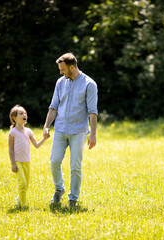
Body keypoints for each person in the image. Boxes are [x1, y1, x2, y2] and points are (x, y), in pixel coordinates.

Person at [43, 53, 98, 207]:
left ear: (72, 67)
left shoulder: (89, 84)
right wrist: (46, 125)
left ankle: (73, 198)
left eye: (63, 69)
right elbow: (53, 106)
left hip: (78, 131)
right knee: (54, 162)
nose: (61, 72)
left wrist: (93, 134)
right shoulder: (60, 82)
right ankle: (59, 189)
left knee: (75, 166)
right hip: (60, 130)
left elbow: (92, 111)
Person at [8, 104, 49, 208]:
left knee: (25, 184)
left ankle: (18, 199)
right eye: (21, 113)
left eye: (25, 113)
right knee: (22, 183)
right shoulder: (13, 132)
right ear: (15, 118)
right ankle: (23, 204)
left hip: (27, 161)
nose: (24, 114)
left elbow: (36, 145)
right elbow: (10, 149)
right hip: (18, 162)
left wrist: (44, 138)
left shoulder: (29, 131)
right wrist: (13, 163)